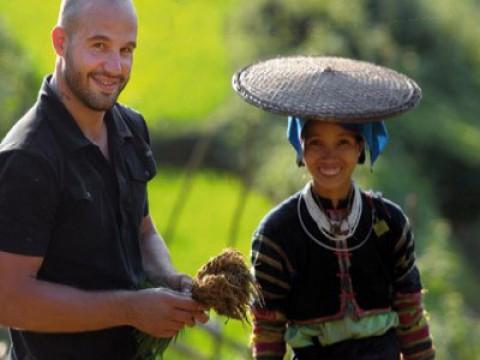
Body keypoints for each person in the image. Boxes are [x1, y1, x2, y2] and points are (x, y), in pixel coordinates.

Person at [0, 0, 208, 359]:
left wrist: (172, 280)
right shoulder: (28, 157)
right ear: (60, 42)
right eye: (99, 46)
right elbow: (9, 299)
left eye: (126, 50)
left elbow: (143, 231)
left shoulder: (131, 128)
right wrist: (130, 308)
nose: (115, 67)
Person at [232, 56, 435, 359]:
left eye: (342, 142)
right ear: (301, 148)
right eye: (316, 143)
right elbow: (268, 330)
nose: (329, 157)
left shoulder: (390, 223)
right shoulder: (277, 234)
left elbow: (410, 314)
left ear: (360, 147)